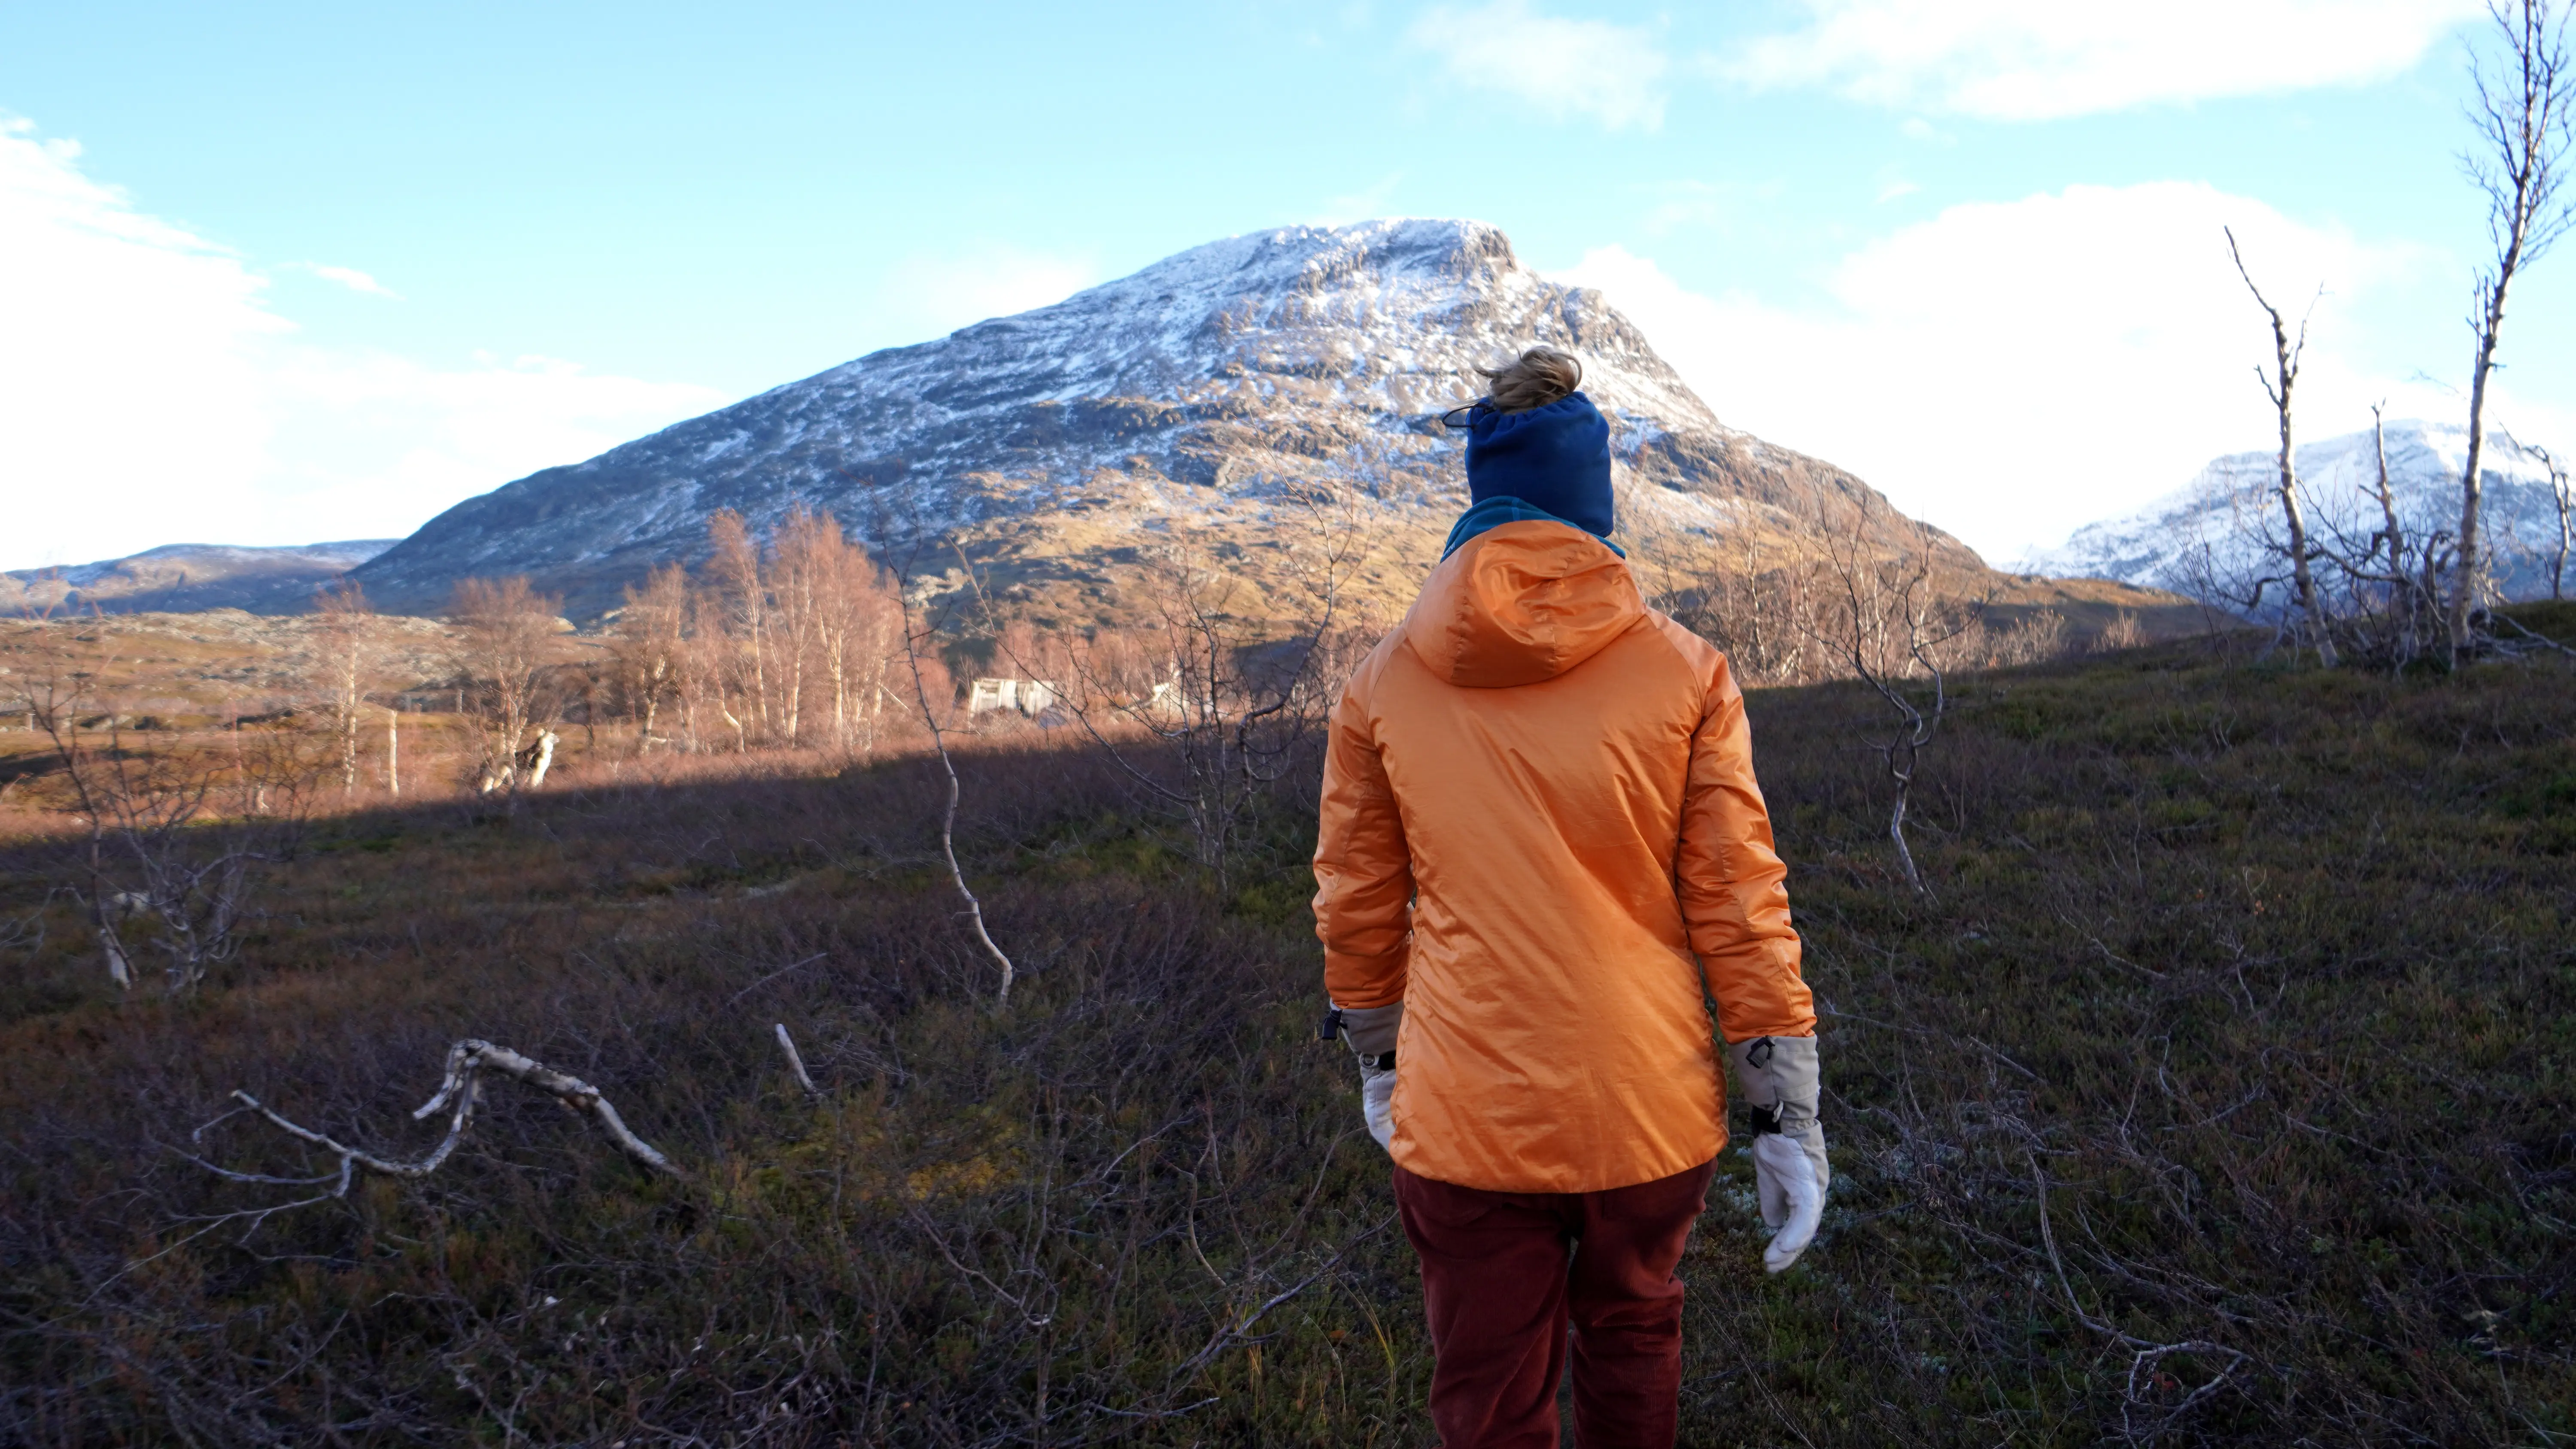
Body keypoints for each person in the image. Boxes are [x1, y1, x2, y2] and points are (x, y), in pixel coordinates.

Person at [1312, 346, 1829, 1449]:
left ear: (1478, 500)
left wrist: (1380, 1056)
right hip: (1644, 1108)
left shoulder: (1380, 682)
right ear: (1595, 503)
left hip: (1464, 1115)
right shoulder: (1687, 670)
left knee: (1490, 1390)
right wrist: (1785, 1109)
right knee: (1634, 1341)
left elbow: (1356, 896)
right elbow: (1740, 898)